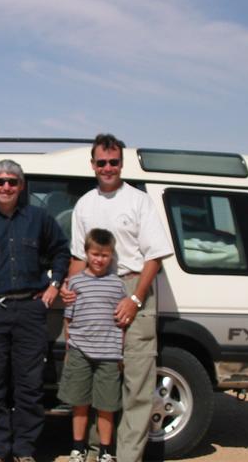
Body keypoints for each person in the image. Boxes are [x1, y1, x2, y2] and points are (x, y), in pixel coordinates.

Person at [62, 134, 173, 462]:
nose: (107, 168)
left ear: (121, 163)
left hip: (131, 287)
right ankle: (98, 453)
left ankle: (126, 458)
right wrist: (71, 288)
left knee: (136, 383)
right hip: (93, 292)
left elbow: (155, 256)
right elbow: (78, 256)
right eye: (101, 162)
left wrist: (135, 299)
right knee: (101, 379)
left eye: (113, 162)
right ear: (93, 164)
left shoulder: (138, 201)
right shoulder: (85, 204)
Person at [0, 159, 70, 462]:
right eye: (0, 181)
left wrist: (55, 284)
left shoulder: (40, 219)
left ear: (21, 186)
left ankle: (24, 450)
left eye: (12, 181)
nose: (6, 186)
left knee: (29, 386)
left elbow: (61, 250)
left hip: (30, 311)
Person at [57, 228, 126, 462]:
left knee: (107, 405)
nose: (99, 259)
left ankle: (106, 451)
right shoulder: (75, 283)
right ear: (86, 253)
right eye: (95, 254)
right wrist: (68, 348)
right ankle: (78, 448)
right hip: (79, 351)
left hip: (109, 353)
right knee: (80, 403)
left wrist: (121, 353)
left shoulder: (117, 285)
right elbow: (69, 318)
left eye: (105, 255)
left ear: (112, 256)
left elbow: (121, 322)